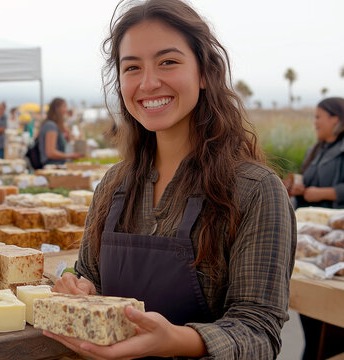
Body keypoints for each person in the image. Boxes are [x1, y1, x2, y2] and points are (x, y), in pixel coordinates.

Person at [48, 1, 296, 359]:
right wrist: (77, 289)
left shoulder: (256, 190)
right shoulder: (113, 185)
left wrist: (176, 341)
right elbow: (91, 280)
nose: (148, 83)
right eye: (132, 67)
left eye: (168, 62)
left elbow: (259, 332)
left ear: (205, 73)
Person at [289, 96, 344, 359]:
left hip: (338, 245)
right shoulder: (317, 149)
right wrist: (300, 189)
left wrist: (323, 192)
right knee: (312, 323)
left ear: (336, 119)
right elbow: (308, 182)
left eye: (318, 117)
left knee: (333, 327)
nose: (314, 123)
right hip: (313, 245)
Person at [37, 97, 80, 166]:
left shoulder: (52, 125)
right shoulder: (51, 126)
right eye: (64, 106)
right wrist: (70, 156)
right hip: (52, 165)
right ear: (57, 108)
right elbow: (51, 152)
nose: (66, 110)